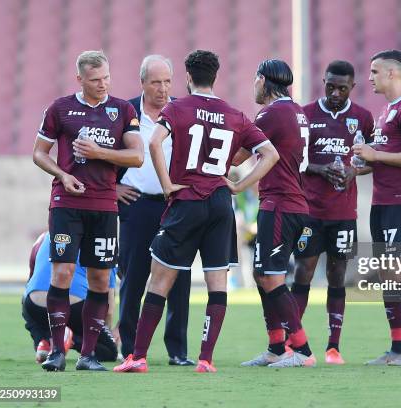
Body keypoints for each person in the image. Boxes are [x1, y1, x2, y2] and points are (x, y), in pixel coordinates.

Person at [113, 50, 278, 374]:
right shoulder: (234, 114)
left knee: (159, 280)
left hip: (186, 199)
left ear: (187, 78)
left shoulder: (178, 108)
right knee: (216, 282)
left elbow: (155, 143)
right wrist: (240, 186)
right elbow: (269, 154)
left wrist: (167, 184)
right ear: (215, 77)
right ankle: (205, 359)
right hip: (219, 203)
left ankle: (138, 357)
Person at [33, 50, 143, 371]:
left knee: (99, 278)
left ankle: (89, 355)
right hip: (66, 203)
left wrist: (100, 152)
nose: (103, 84)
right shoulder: (60, 108)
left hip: (105, 205)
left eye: (106, 77)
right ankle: (57, 352)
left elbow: (136, 156)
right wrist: (63, 175)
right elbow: (39, 153)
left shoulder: (122, 110)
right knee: (62, 272)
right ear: (79, 78)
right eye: (95, 80)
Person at [291, 60, 374, 365]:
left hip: (343, 213)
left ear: (353, 87)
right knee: (303, 271)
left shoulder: (363, 119)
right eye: (330, 86)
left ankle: (333, 346)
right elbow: (292, 158)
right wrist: (319, 169)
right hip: (310, 211)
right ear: (322, 82)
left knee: (337, 275)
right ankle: (293, 342)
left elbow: (374, 157)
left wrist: (353, 171)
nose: (336, 92)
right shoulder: (305, 114)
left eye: (342, 87)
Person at [352, 50, 401, 366]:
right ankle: (397, 347)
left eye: (374, 71)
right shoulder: (385, 113)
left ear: (392, 74)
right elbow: (383, 158)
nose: (369, 77)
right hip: (382, 201)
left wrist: (375, 155)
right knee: (386, 275)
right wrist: (361, 163)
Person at [116, 55, 193, 366]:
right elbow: (105, 154)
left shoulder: (182, 111)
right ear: (142, 83)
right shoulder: (125, 112)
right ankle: (131, 349)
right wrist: (112, 188)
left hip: (175, 206)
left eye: (167, 82)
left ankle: (177, 351)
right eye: (155, 82)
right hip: (136, 204)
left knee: (179, 280)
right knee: (133, 278)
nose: (162, 89)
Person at [239, 59, 316, 368]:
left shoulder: (271, 113)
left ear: (262, 80)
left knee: (271, 276)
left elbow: (239, 155)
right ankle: (275, 346)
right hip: (292, 202)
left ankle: (302, 350)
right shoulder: (297, 111)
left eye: (254, 81)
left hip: (280, 203)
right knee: (262, 274)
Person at [23, 232, 118, 363]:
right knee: (108, 352)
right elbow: (108, 307)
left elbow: (31, 280)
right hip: (74, 303)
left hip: (34, 303)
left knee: (28, 300)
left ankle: (45, 341)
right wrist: (106, 334)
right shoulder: (104, 241)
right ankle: (69, 340)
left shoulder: (44, 237)